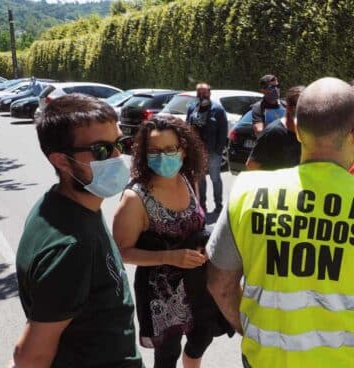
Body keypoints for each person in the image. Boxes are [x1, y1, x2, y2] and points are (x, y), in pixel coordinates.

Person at [206, 77, 354, 368]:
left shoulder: (246, 191)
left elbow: (220, 284)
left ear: (298, 132)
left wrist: (250, 331)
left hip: (266, 359)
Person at [13, 94, 142, 367]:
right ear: (61, 160)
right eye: (101, 150)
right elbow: (29, 357)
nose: (118, 157)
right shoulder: (72, 246)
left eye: (121, 144)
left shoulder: (59, 205)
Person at [113, 115, 231, 368]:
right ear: (144, 154)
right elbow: (122, 252)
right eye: (154, 151)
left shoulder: (188, 180)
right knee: (167, 356)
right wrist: (167, 257)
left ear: (184, 149)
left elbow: (197, 226)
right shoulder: (135, 198)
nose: (163, 157)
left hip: (198, 285)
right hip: (162, 296)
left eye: (170, 149)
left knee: (201, 339)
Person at [186, 82, 228, 213]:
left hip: (213, 152)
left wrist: (218, 150)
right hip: (197, 152)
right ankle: (202, 205)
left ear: (209, 93)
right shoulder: (192, 107)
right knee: (200, 179)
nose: (202, 95)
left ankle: (218, 205)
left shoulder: (218, 110)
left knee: (215, 178)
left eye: (204, 92)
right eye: (199, 92)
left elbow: (223, 131)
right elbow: (187, 126)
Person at [246, 85, 304, 170]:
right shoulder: (273, 132)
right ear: (288, 107)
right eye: (298, 106)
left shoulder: (309, 132)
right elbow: (252, 165)